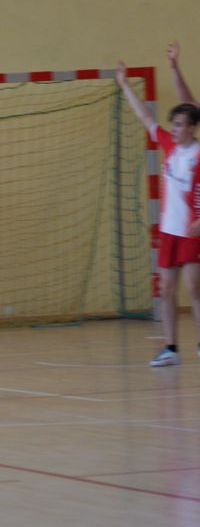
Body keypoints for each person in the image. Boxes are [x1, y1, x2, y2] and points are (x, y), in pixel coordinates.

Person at [116, 59, 200, 367]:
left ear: (192, 127)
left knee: (193, 287)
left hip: (191, 231)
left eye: (179, 125)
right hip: (168, 230)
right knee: (166, 289)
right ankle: (170, 348)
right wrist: (124, 85)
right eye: (173, 124)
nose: (174, 129)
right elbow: (145, 116)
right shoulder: (168, 145)